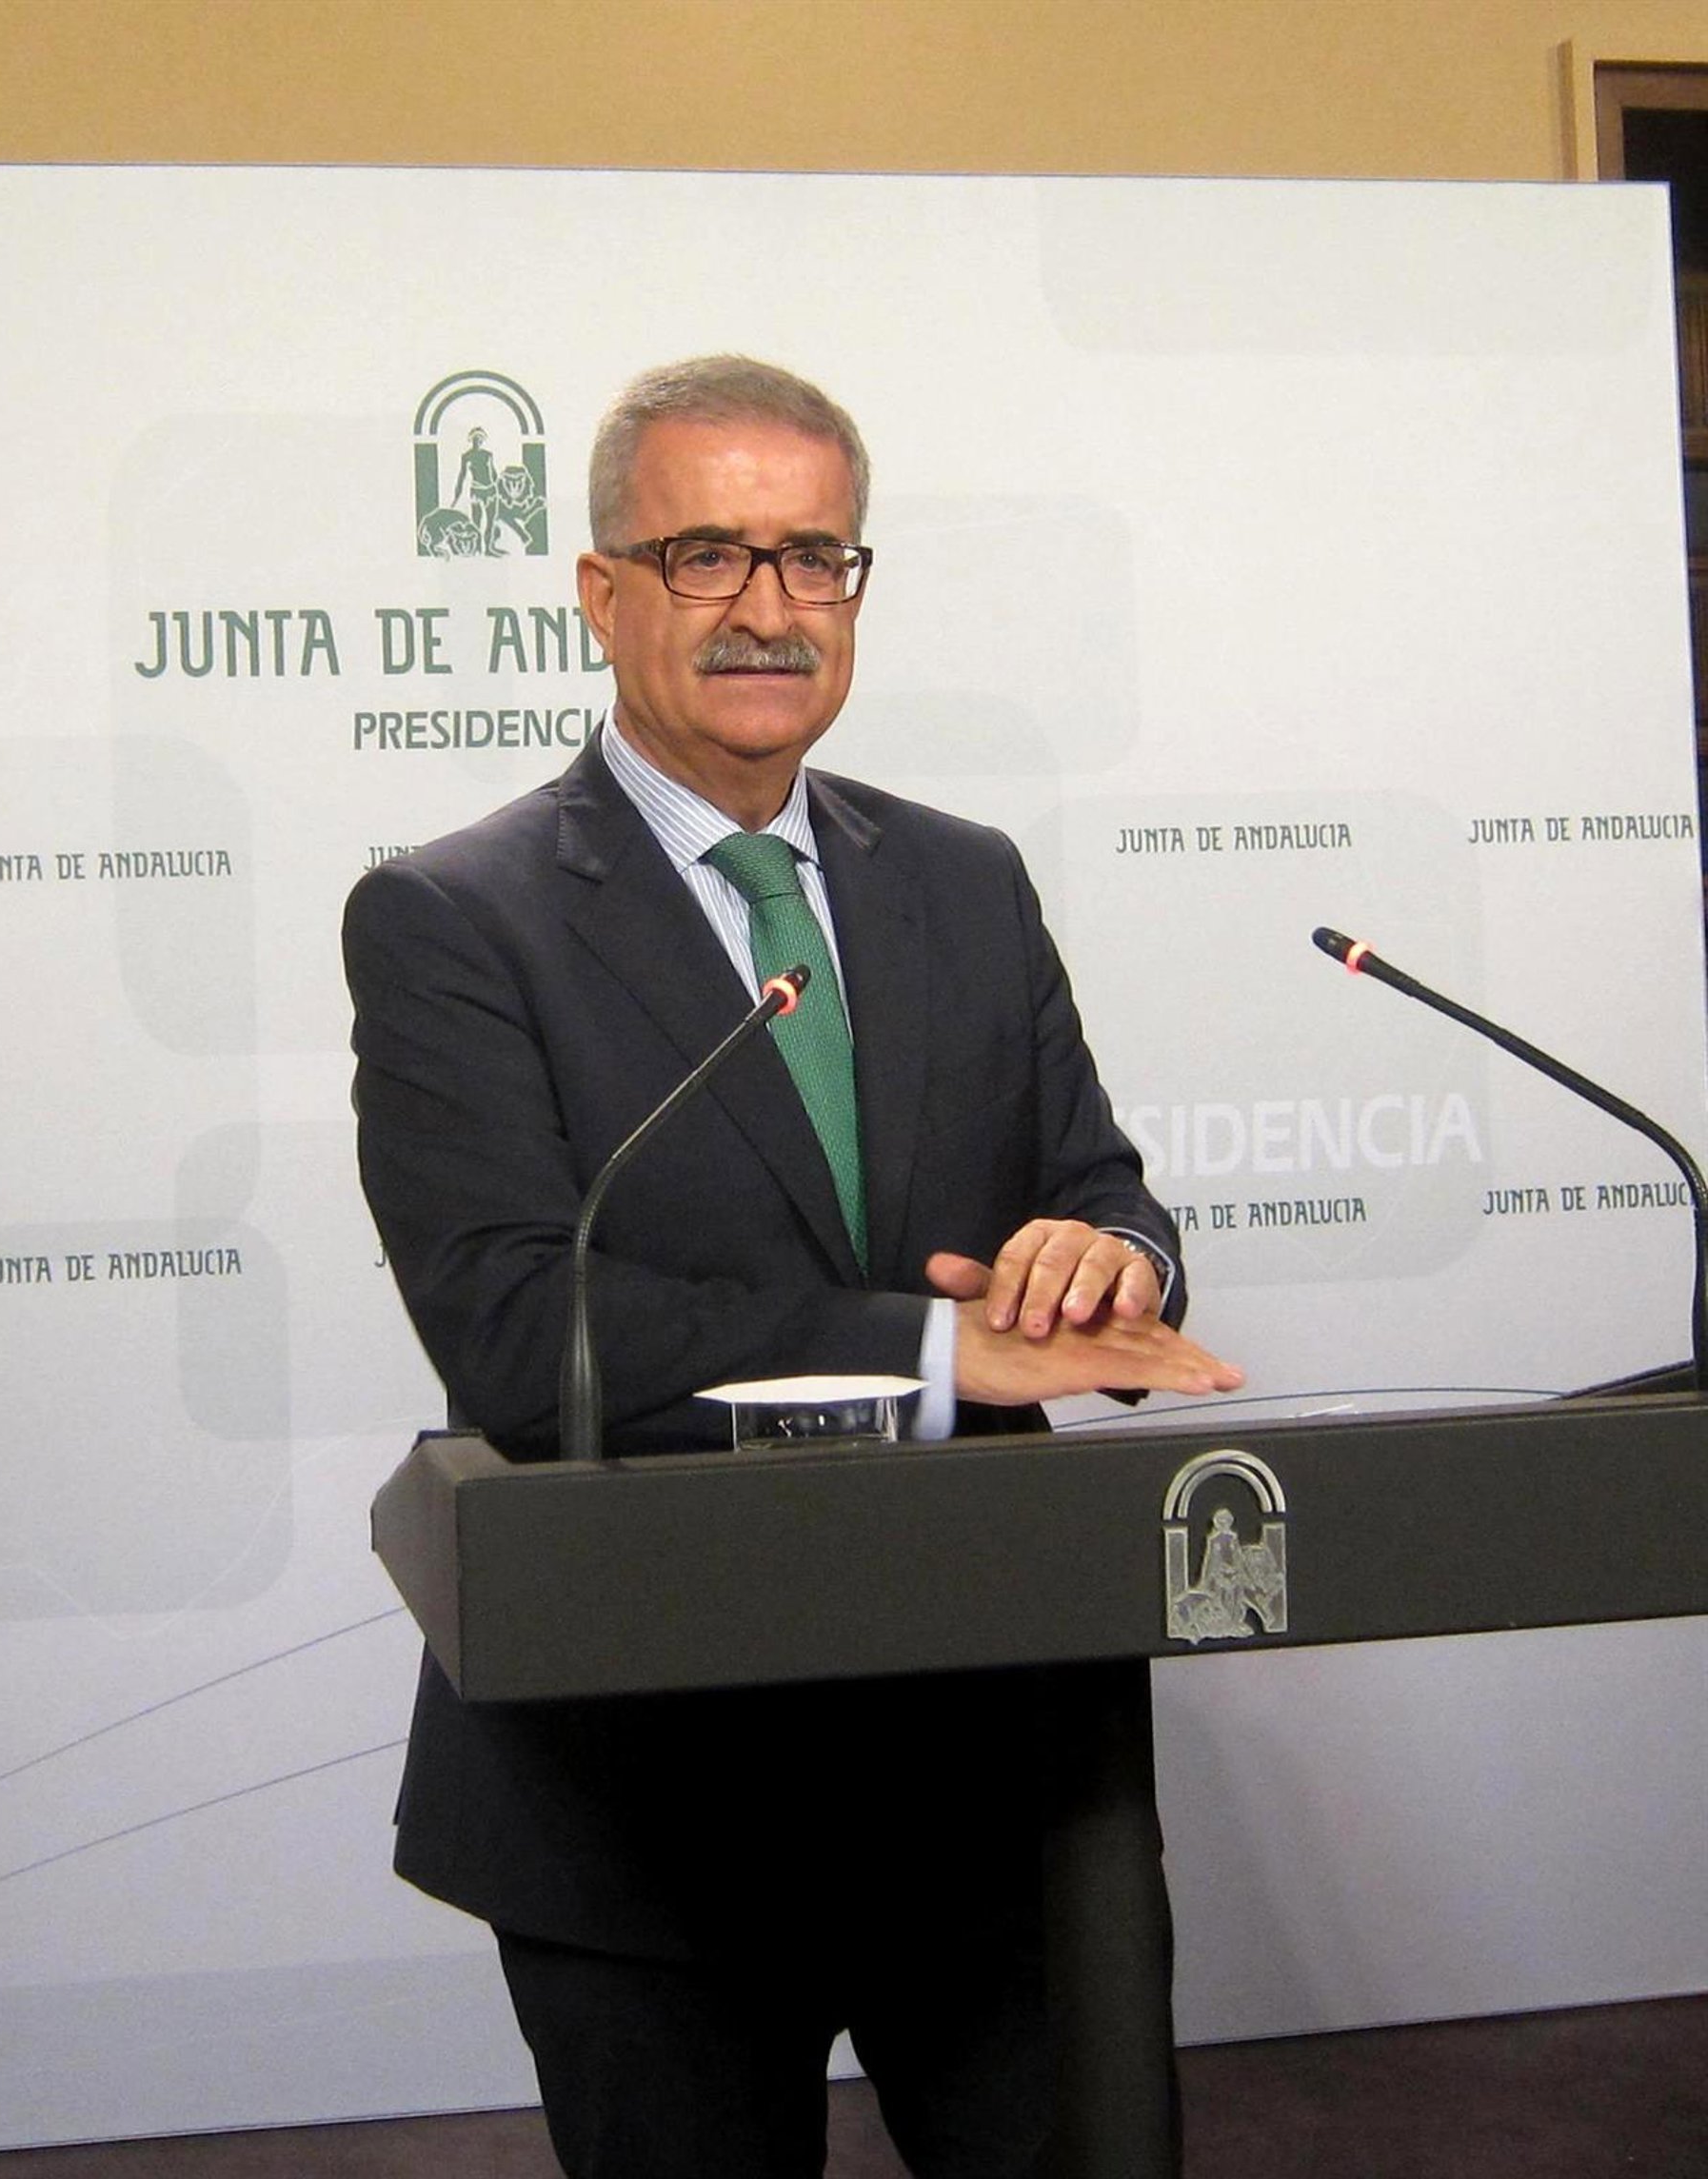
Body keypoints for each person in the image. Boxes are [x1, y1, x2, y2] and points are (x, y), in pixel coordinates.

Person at [344, 355, 1243, 2179]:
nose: (770, 606)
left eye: (815, 556)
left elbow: (1104, 1187)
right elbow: (521, 1330)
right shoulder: (455, 917)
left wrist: (1108, 1261)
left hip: (996, 1770)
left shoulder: (966, 879)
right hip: (647, 1787)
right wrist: (935, 1348)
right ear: (601, 592)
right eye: (708, 554)